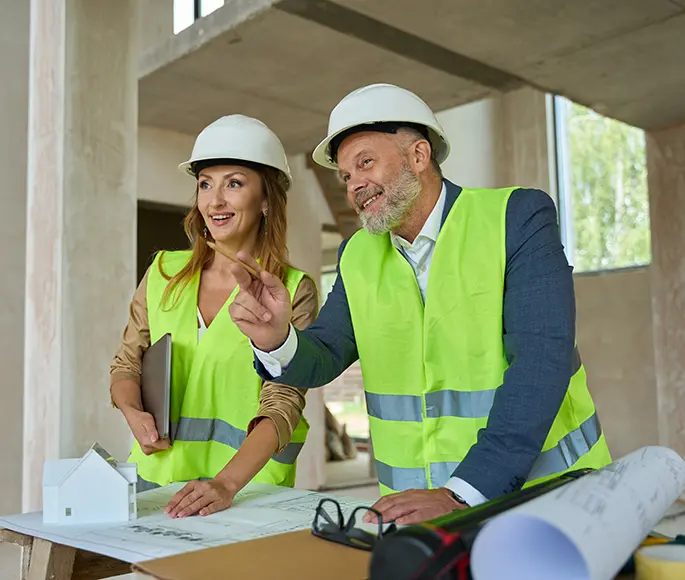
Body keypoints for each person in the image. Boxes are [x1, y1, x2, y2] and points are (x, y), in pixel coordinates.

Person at [226, 83, 613, 525]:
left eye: (365, 162)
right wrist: (278, 339)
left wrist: (462, 493)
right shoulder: (358, 254)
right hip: (420, 514)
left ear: (419, 155)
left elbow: (540, 364)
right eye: (347, 176)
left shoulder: (517, 218)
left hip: (547, 502)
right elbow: (327, 352)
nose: (354, 186)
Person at [110, 114, 318, 518]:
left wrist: (226, 484)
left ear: (266, 200)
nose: (214, 200)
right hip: (158, 487)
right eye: (205, 183)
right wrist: (133, 412)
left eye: (234, 184)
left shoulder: (293, 290)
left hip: (246, 494)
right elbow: (126, 363)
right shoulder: (164, 272)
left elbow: (284, 400)